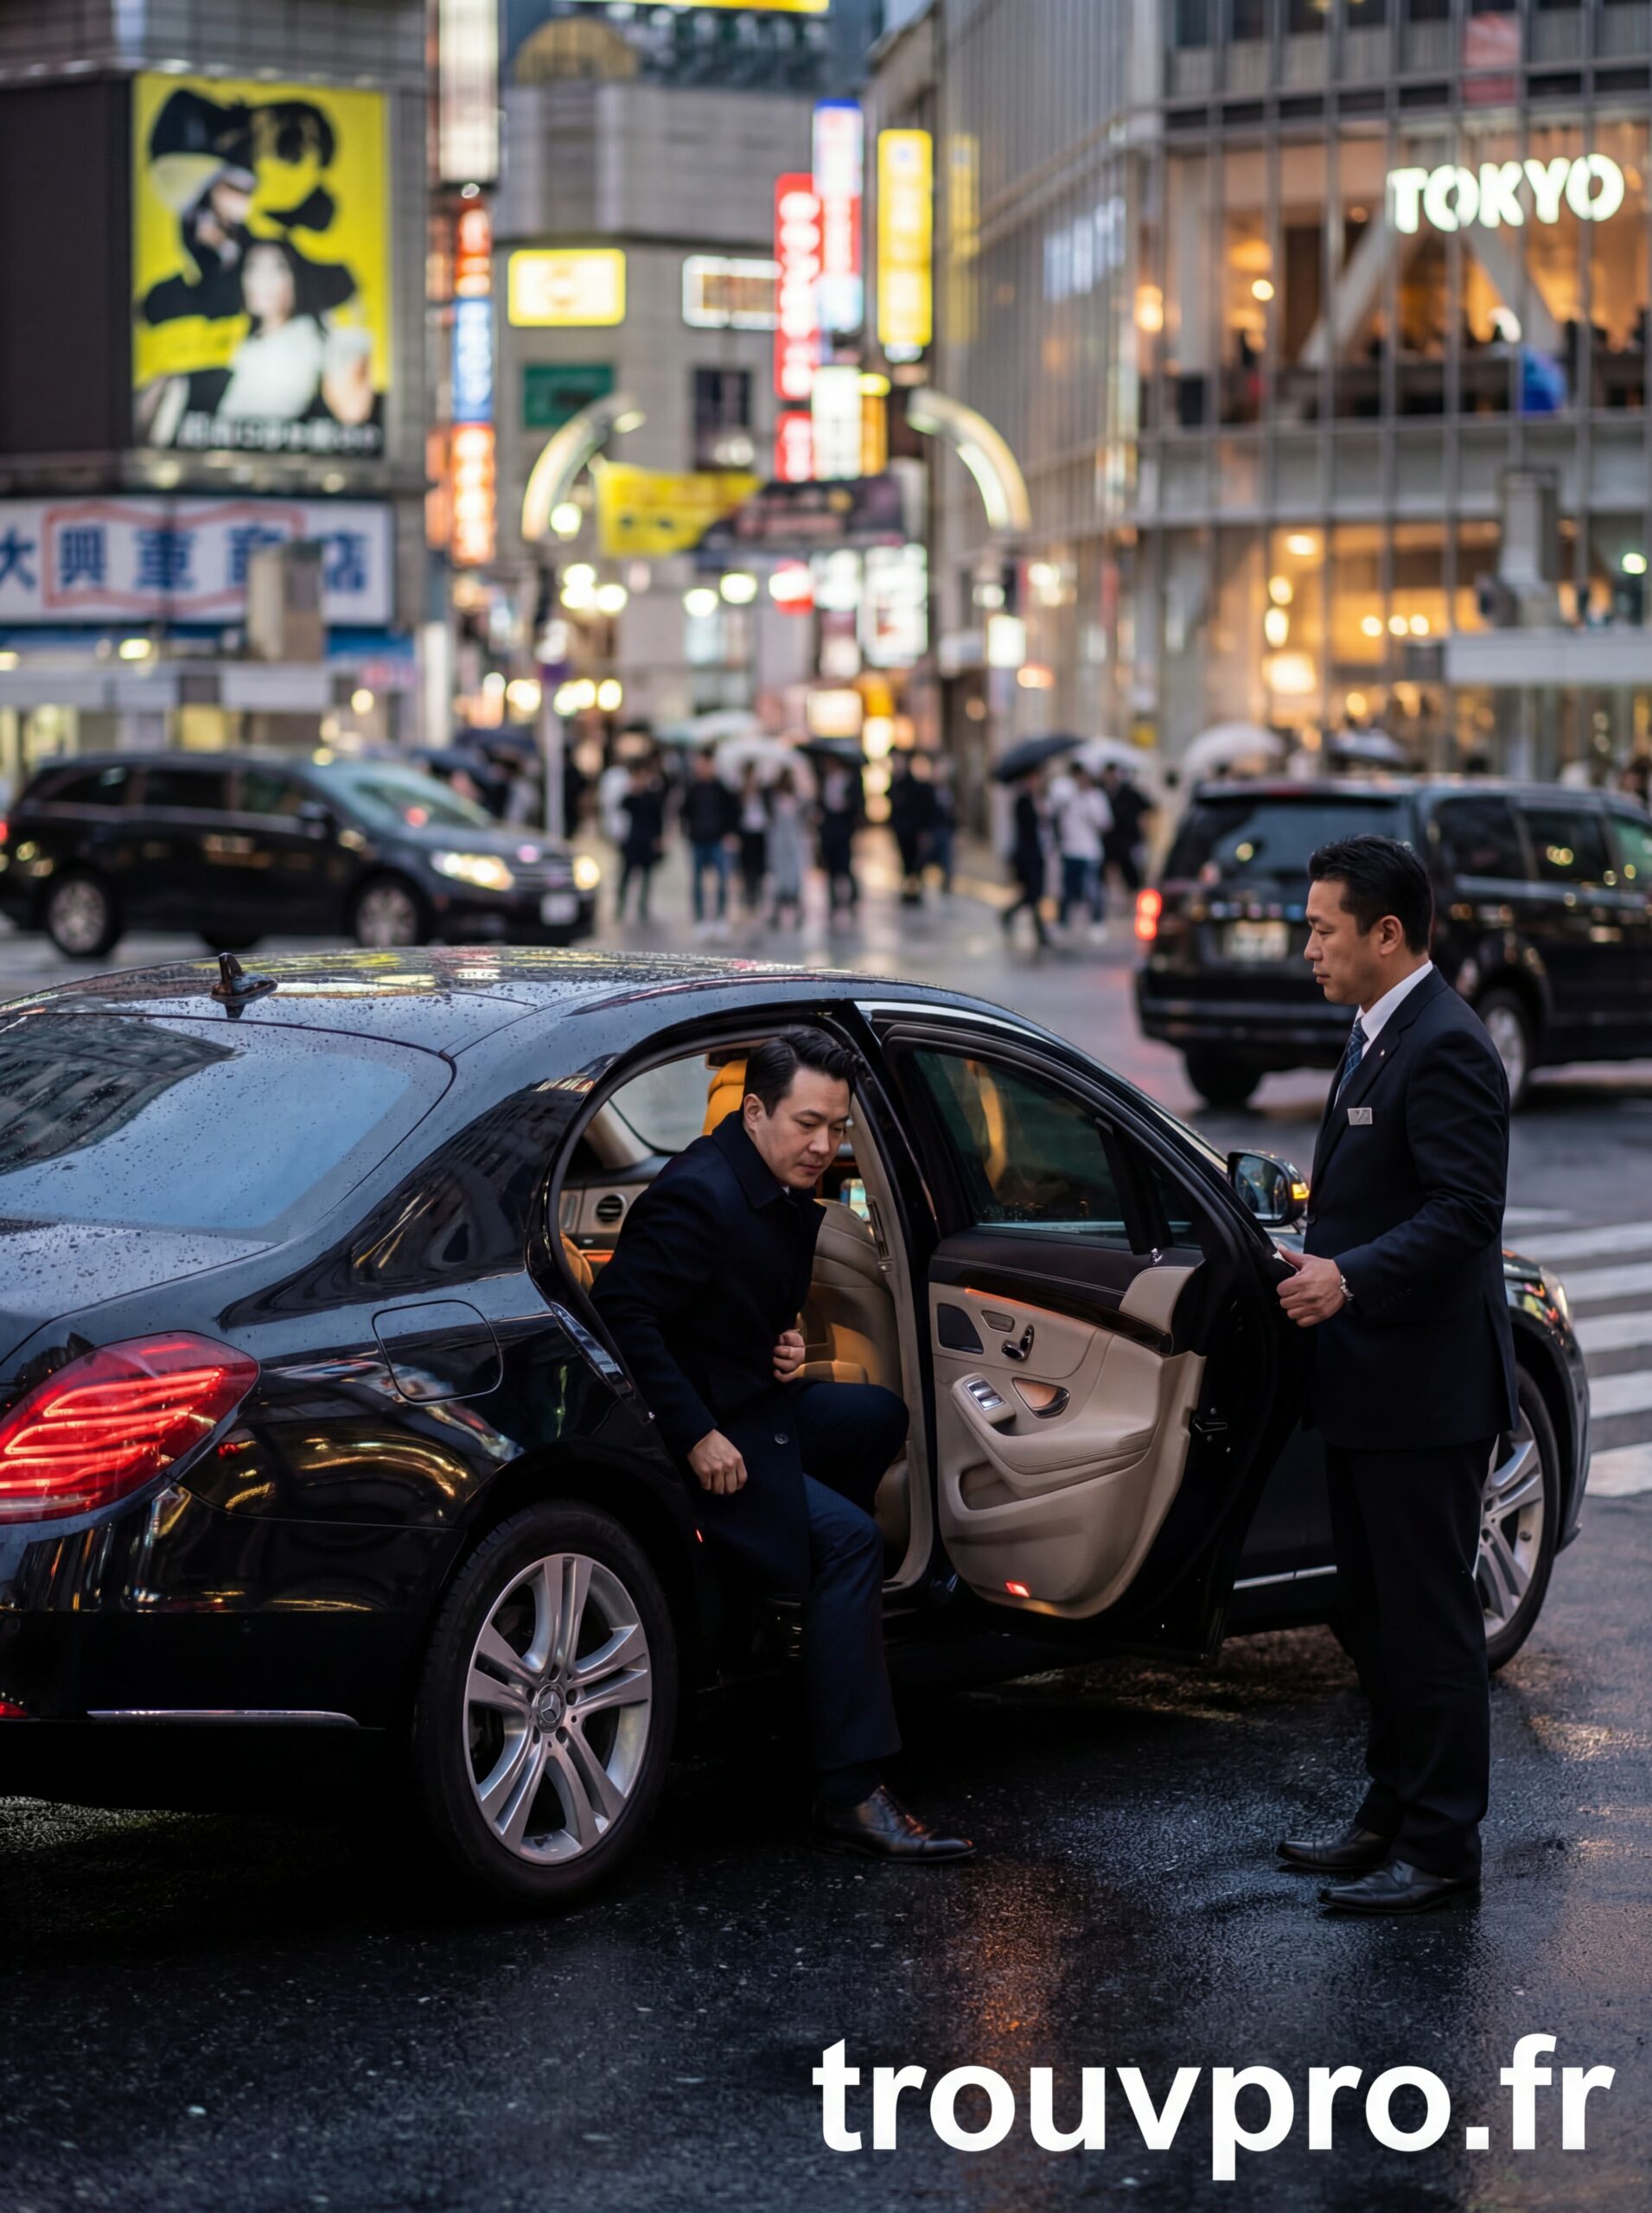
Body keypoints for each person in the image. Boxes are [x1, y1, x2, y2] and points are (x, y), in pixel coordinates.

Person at [592, 1030, 974, 1862]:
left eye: (836, 1128)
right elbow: (624, 1313)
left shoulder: (765, 1181)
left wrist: (781, 1343)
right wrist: (695, 1435)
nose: (824, 1147)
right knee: (849, 1541)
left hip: (751, 1402)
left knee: (876, 1415)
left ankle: (777, 1596)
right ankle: (850, 1789)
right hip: (700, 1436)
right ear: (754, 1110)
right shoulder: (700, 1193)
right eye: (807, 1124)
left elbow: (721, 1305)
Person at [1275, 833, 1516, 1916]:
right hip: (1368, 1385)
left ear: (1388, 933)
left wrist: (1348, 1278)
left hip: (1426, 1393)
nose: (1309, 947)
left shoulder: (1449, 1042)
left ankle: (1442, 1850)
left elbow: (1466, 1216)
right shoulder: (1376, 1031)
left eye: (1325, 927)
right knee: (1370, 1613)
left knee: (1429, 1625)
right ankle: (1387, 1810)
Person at [1047, 762, 1110, 934]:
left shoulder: (1096, 797)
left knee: (1092, 889)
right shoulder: (1065, 795)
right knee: (1068, 889)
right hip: (1069, 849)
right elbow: (1052, 815)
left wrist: (1088, 809)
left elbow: (1105, 823)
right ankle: (1063, 922)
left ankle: (1097, 921)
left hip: (1090, 851)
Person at [681, 749, 737, 934]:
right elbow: (684, 812)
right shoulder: (693, 788)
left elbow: (732, 811)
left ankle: (720, 918)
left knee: (722, 880)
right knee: (698, 882)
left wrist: (730, 833)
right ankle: (700, 920)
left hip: (717, 840)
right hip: (698, 840)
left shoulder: (721, 788)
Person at [1000, 769, 1050, 948]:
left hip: (1036, 853)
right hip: (1027, 855)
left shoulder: (1034, 799)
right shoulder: (1023, 801)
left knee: (1033, 895)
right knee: (1033, 894)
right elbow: (1027, 828)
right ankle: (1040, 932)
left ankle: (1037, 930)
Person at [616, 762, 665, 923]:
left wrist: (659, 838)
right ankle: (620, 906)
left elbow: (658, 818)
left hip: (646, 841)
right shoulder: (630, 797)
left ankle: (643, 907)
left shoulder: (651, 797)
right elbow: (620, 811)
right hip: (631, 841)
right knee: (626, 875)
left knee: (646, 877)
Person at [887, 753, 938, 907]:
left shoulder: (919, 787)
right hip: (903, 830)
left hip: (915, 830)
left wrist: (925, 831)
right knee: (906, 863)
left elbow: (925, 809)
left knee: (916, 863)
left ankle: (914, 891)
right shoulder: (897, 783)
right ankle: (909, 890)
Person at [817, 762, 862, 921]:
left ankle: (852, 896)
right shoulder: (823, 781)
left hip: (843, 828)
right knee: (830, 865)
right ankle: (833, 899)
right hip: (829, 828)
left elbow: (856, 805)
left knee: (845, 865)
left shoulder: (850, 781)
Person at [1100, 762, 1151, 898]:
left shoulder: (1129, 793)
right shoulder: (1102, 792)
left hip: (1128, 837)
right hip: (1111, 838)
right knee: (1111, 868)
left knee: (1130, 868)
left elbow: (1146, 809)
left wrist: (1143, 829)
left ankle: (1133, 894)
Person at [766, 768, 808, 928]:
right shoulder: (774, 799)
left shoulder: (798, 800)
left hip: (793, 844)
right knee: (779, 881)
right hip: (779, 844)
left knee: (793, 880)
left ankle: (795, 912)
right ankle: (778, 913)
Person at [735, 766, 770, 916]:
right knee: (746, 866)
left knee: (758, 866)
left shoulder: (764, 793)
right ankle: (747, 898)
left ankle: (758, 896)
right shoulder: (741, 793)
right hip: (746, 833)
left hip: (760, 832)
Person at [929, 756, 957, 892]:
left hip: (946, 829)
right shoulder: (929, 790)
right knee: (930, 858)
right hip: (934, 828)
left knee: (947, 857)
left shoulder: (950, 789)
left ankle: (947, 882)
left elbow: (954, 811)